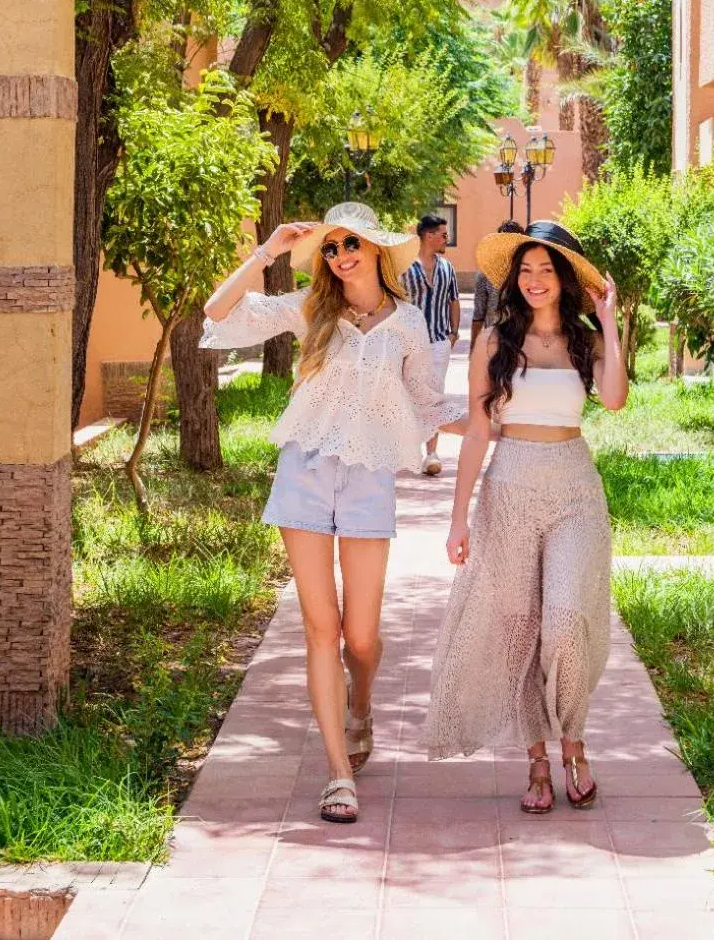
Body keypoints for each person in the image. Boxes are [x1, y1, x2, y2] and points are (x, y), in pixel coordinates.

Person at [201, 202, 462, 825]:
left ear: (376, 249)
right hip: (305, 476)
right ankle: (339, 775)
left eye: (351, 244)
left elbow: (428, 407)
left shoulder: (408, 327)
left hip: (369, 480)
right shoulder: (311, 309)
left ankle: (361, 701)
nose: (341, 256)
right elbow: (218, 312)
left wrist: (509, 427)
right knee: (321, 628)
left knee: (360, 637)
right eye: (330, 248)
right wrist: (267, 250)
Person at [424, 220, 628, 815]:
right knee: (519, 631)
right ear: (515, 279)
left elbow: (613, 399)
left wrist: (610, 322)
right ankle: (537, 760)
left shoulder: (585, 341)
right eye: (526, 269)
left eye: (546, 269)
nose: (535, 280)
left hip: (573, 489)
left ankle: (575, 742)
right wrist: (458, 520)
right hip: (509, 488)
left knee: (565, 625)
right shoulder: (494, 340)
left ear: (564, 279)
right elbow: (480, 430)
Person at [401, 213, 460, 477]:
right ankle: (404, 450)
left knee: (434, 397)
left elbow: (454, 300)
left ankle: (432, 454)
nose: (447, 239)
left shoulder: (447, 267)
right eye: (444, 235)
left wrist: (453, 333)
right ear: (429, 236)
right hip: (407, 345)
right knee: (406, 395)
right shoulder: (404, 267)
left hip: (438, 342)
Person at [470, 219, 526, 351]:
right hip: (495, 343)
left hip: (523, 344)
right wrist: (474, 349)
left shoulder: (528, 272)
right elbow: (478, 315)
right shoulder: (485, 274)